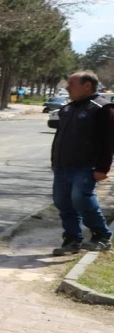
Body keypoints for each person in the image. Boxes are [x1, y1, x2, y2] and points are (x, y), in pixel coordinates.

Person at [50, 71, 114, 256]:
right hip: (62, 166)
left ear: (87, 86)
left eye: (72, 84)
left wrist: (103, 168)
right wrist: (55, 160)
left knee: (81, 199)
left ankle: (101, 235)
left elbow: (108, 141)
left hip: (86, 167)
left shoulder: (102, 108)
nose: (67, 87)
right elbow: (59, 137)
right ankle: (71, 240)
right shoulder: (68, 108)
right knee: (62, 202)